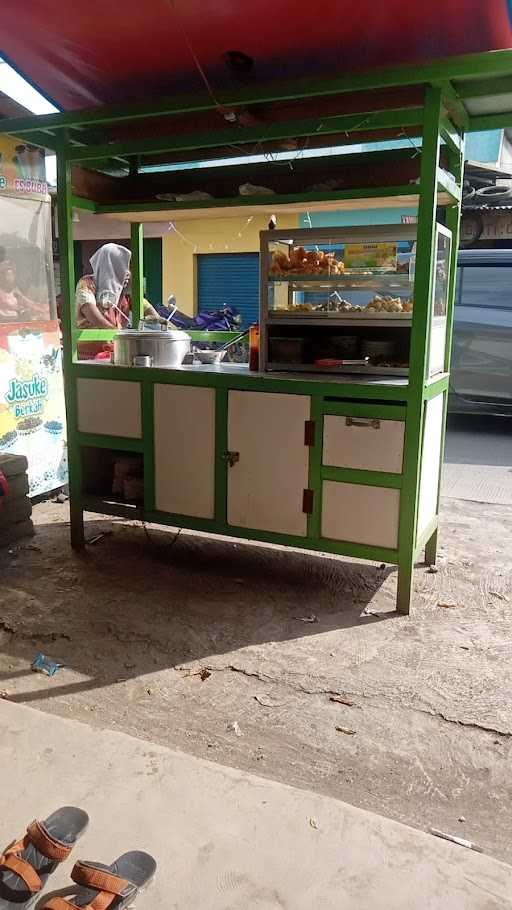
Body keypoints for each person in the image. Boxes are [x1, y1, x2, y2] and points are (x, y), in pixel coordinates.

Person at [75, 243, 161, 358]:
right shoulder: (87, 284)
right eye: (121, 268)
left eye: (129, 269)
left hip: (115, 352)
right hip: (88, 356)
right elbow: (92, 314)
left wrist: (163, 327)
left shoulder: (126, 293)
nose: (127, 274)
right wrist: (118, 333)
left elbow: (149, 311)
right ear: (109, 268)